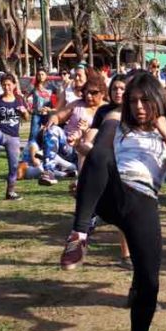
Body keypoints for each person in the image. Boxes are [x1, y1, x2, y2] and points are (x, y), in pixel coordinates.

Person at [59, 71, 166, 331]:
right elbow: (99, 156)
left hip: (142, 202)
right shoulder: (117, 121)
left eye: (144, 101)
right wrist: (82, 150)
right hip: (112, 191)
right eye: (133, 101)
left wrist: (165, 132)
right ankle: (79, 233)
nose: (138, 107)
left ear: (156, 101)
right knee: (100, 149)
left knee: (148, 282)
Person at [59, 74, 131, 270]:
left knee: (125, 214)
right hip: (104, 166)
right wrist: (78, 144)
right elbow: (90, 147)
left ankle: (127, 255)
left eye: (122, 89)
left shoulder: (136, 112)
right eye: (115, 88)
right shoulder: (104, 112)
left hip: (129, 168)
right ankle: (82, 231)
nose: (118, 92)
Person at [0, 74, 30, 200]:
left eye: (9, 84)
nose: (7, 87)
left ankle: (10, 192)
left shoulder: (19, 100)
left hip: (13, 135)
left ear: (14, 85)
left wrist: (24, 112)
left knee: (14, 166)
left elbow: (26, 118)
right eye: (4, 85)